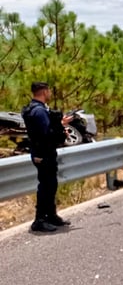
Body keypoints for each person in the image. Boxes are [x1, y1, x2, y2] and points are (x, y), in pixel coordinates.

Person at [21, 82, 73, 232]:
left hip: (42, 152)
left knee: (50, 184)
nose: (49, 93)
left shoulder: (35, 109)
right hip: (43, 153)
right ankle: (39, 220)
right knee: (45, 186)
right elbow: (47, 134)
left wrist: (60, 123)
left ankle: (51, 215)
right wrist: (60, 130)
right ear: (44, 92)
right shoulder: (39, 111)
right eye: (48, 90)